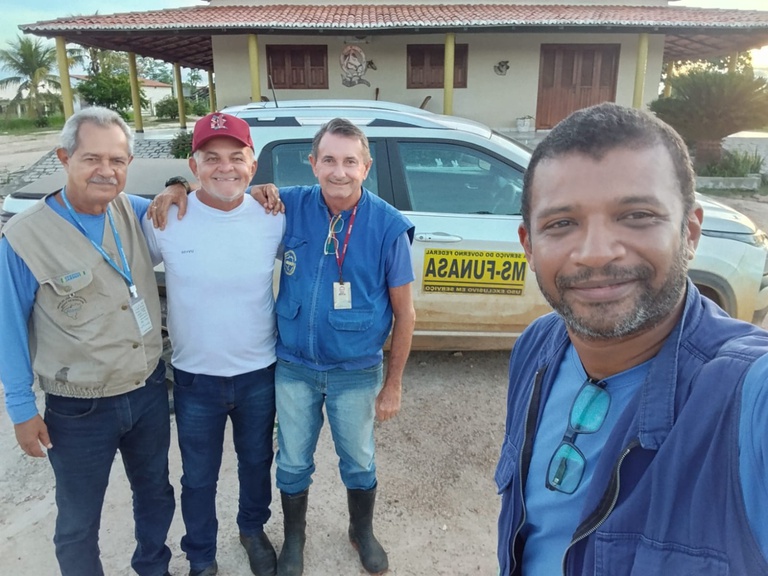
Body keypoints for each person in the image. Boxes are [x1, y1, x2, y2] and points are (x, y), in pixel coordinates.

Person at [496, 102, 768, 575]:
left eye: (637, 215)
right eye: (562, 223)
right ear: (529, 245)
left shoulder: (746, 399)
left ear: (690, 232)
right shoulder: (538, 346)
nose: (597, 253)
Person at [154, 117, 416, 576]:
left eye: (350, 161)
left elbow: (406, 312)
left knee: (357, 457)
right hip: (292, 366)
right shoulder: (287, 205)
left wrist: (393, 384)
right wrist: (175, 184)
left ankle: (362, 530)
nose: (339, 171)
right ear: (312, 164)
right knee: (291, 460)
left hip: (354, 369)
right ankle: (292, 538)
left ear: (366, 166)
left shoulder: (386, 225)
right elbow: (226, 190)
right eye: (328, 160)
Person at [0, 107, 175, 576]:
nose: (106, 170)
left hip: (147, 391)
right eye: (92, 158)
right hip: (79, 407)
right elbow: (8, 329)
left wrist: (179, 186)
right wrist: (21, 410)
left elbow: (188, 207)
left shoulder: (131, 210)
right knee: (79, 521)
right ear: (64, 157)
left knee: (156, 493)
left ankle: (153, 567)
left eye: (118, 160)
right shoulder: (23, 238)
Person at [142, 112, 284, 576]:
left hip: (258, 372)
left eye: (237, 157)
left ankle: (252, 529)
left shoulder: (272, 216)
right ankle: (201, 554)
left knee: (257, 462)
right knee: (198, 477)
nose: (226, 168)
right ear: (193, 163)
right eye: (212, 158)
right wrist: (172, 188)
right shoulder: (167, 217)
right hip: (194, 377)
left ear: (254, 163)